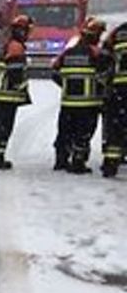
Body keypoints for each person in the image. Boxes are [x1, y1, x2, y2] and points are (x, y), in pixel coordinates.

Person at [52, 17, 107, 174]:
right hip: (89, 104)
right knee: (84, 133)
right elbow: (107, 75)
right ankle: (78, 162)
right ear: (95, 36)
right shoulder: (97, 54)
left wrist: (68, 86)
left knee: (65, 131)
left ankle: (61, 160)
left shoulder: (67, 53)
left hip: (68, 103)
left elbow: (55, 72)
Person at [0, 14, 34, 170]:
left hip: (1, 95)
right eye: (27, 31)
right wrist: (22, 87)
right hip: (8, 96)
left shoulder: (9, 45)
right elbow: (15, 73)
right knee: (4, 128)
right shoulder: (16, 47)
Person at [100, 20, 127, 178]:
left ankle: (111, 164)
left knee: (116, 126)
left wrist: (107, 82)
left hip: (119, 89)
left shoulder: (117, 33)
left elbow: (103, 60)